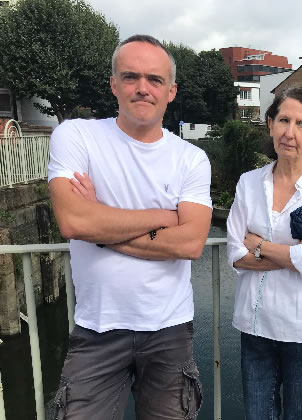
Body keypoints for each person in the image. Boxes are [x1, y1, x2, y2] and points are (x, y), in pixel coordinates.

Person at [47, 34, 212, 420]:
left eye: (154, 80)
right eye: (131, 76)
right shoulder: (76, 136)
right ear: (113, 84)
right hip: (97, 326)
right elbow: (73, 220)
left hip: (169, 330)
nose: (142, 88)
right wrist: (163, 216)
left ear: (171, 91)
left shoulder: (191, 158)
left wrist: (101, 225)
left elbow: (190, 242)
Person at [226, 85, 302, 420]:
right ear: (270, 124)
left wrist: (261, 245)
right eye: (283, 120)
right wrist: (295, 256)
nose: (289, 132)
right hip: (256, 324)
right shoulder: (248, 182)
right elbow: (235, 254)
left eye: (301, 124)